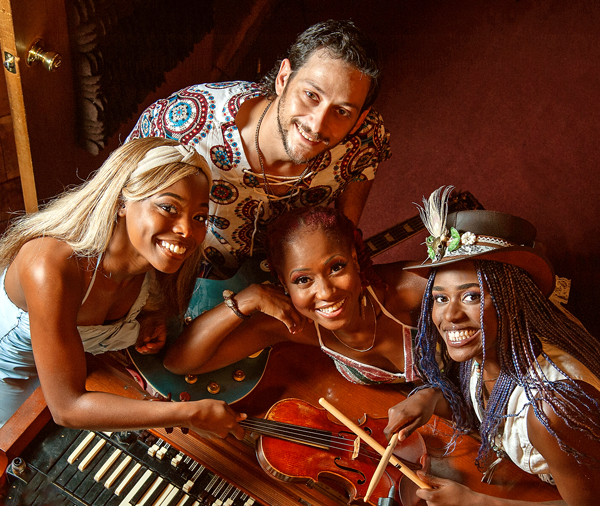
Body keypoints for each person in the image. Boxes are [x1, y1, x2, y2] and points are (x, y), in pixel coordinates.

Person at [0, 137, 246, 439]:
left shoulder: (158, 267)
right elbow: (66, 407)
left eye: (199, 217)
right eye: (169, 207)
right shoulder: (48, 266)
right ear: (121, 202)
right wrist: (190, 413)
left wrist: (146, 322)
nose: (186, 230)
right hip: (11, 378)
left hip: (78, 372)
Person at [384, 186, 600, 505]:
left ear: (512, 300)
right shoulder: (490, 349)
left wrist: (477, 502)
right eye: (440, 298)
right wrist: (429, 397)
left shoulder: (554, 407)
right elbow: (492, 412)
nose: (450, 315)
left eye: (471, 296)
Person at [126, 20, 390, 276]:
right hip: (181, 272)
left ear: (359, 119)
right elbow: (116, 195)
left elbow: (367, 160)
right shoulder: (182, 126)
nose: (317, 125)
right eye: (311, 95)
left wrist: (343, 233)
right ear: (283, 78)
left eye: (342, 111)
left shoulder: (363, 137)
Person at [164, 206, 427, 386]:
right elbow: (180, 362)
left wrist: (430, 397)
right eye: (303, 280)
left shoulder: (414, 289)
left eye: (336, 268)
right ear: (283, 283)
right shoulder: (295, 324)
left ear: (354, 258)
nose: (325, 292)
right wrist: (248, 299)